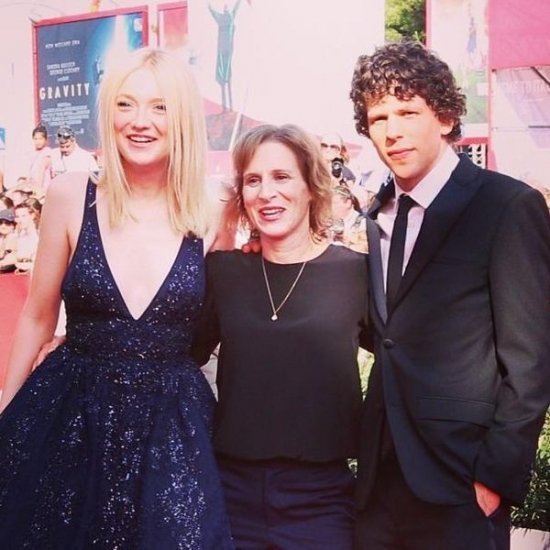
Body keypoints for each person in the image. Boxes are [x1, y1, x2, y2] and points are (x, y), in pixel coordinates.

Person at [0, 47, 233, 549]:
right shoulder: (70, 194)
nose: (140, 121)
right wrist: (6, 413)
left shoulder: (215, 207)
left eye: (159, 107)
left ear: (183, 118)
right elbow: (37, 317)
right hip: (70, 417)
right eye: (126, 104)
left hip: (173, 429)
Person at [349, 40, 550, 549]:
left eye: (407, 112)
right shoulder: (378, 215)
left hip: (462, 482)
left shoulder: (506, 207)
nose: (392, 131)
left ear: (444, 117)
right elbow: (387, 334)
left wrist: (495, 477)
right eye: (378, 118)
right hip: (379, 481)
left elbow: (531, 359)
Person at [192, 124, 369, 549]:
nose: (266, 193)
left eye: (282, 177)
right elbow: (176, 353)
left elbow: (411, 360)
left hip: (323, 499)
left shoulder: (355, 273)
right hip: (231, 493)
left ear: (311, 186)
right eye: (253, 180)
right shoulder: (224, 272)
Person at [208, 0, 242, 112]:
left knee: (227, 74)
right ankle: (226, 107)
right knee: (224, 75)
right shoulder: (225, 17)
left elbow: (236, 7)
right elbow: (212, 11)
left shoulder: (229, 16)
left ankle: (229, 106)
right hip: (224, 49)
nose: (226, 9)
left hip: (227, 48)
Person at [330, 184, 368, 253]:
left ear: (348, 203)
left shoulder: (363, 223)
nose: (330, 208)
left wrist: (345, 242)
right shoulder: (330, 223)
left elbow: (364, 250)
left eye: (334, 203)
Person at [28, 122, 52, 193]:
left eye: (40, 139)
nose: (38, 141)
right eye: (36, 139)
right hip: (32, 187)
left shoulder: (47, 152)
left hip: (42, 188)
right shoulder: (32, 153)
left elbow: (41, 172)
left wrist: (38, 190)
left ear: (45, 139)